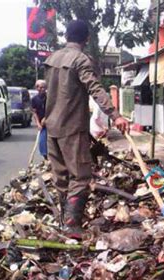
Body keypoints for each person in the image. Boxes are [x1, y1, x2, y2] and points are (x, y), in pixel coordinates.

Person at [44, 19, 129, 229]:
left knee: (61, 177)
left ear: (66, 37)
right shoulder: (80, 60)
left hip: (52, 127)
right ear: (87, 39)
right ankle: (72, 226)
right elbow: (95, 88)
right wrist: (115, 114)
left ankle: (65, 220)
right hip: (72, 128)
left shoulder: (52, 59)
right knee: (80, 176)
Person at [31, 79, 48, 159]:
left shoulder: (49, 98)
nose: (42, 89)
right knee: (42, 142)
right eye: (40, 87)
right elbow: (34, 112)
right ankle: (45, 158)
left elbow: (52, 109)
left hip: (51, 122)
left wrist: (46, 118)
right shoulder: (34, 99)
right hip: (42, 125)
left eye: (43, 87)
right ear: (36, 88)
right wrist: (38, 123)